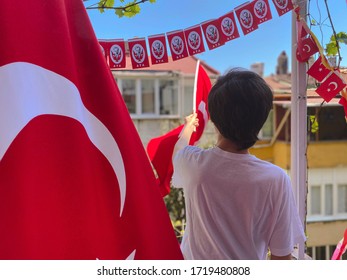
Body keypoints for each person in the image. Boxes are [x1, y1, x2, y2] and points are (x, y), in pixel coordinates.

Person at [172, 68, 306, 260]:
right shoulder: (275, 179)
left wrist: (188, 127)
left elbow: (178, 150)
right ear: (261, 120)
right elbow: (281, 257)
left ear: (214, 120)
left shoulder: (193, 165)